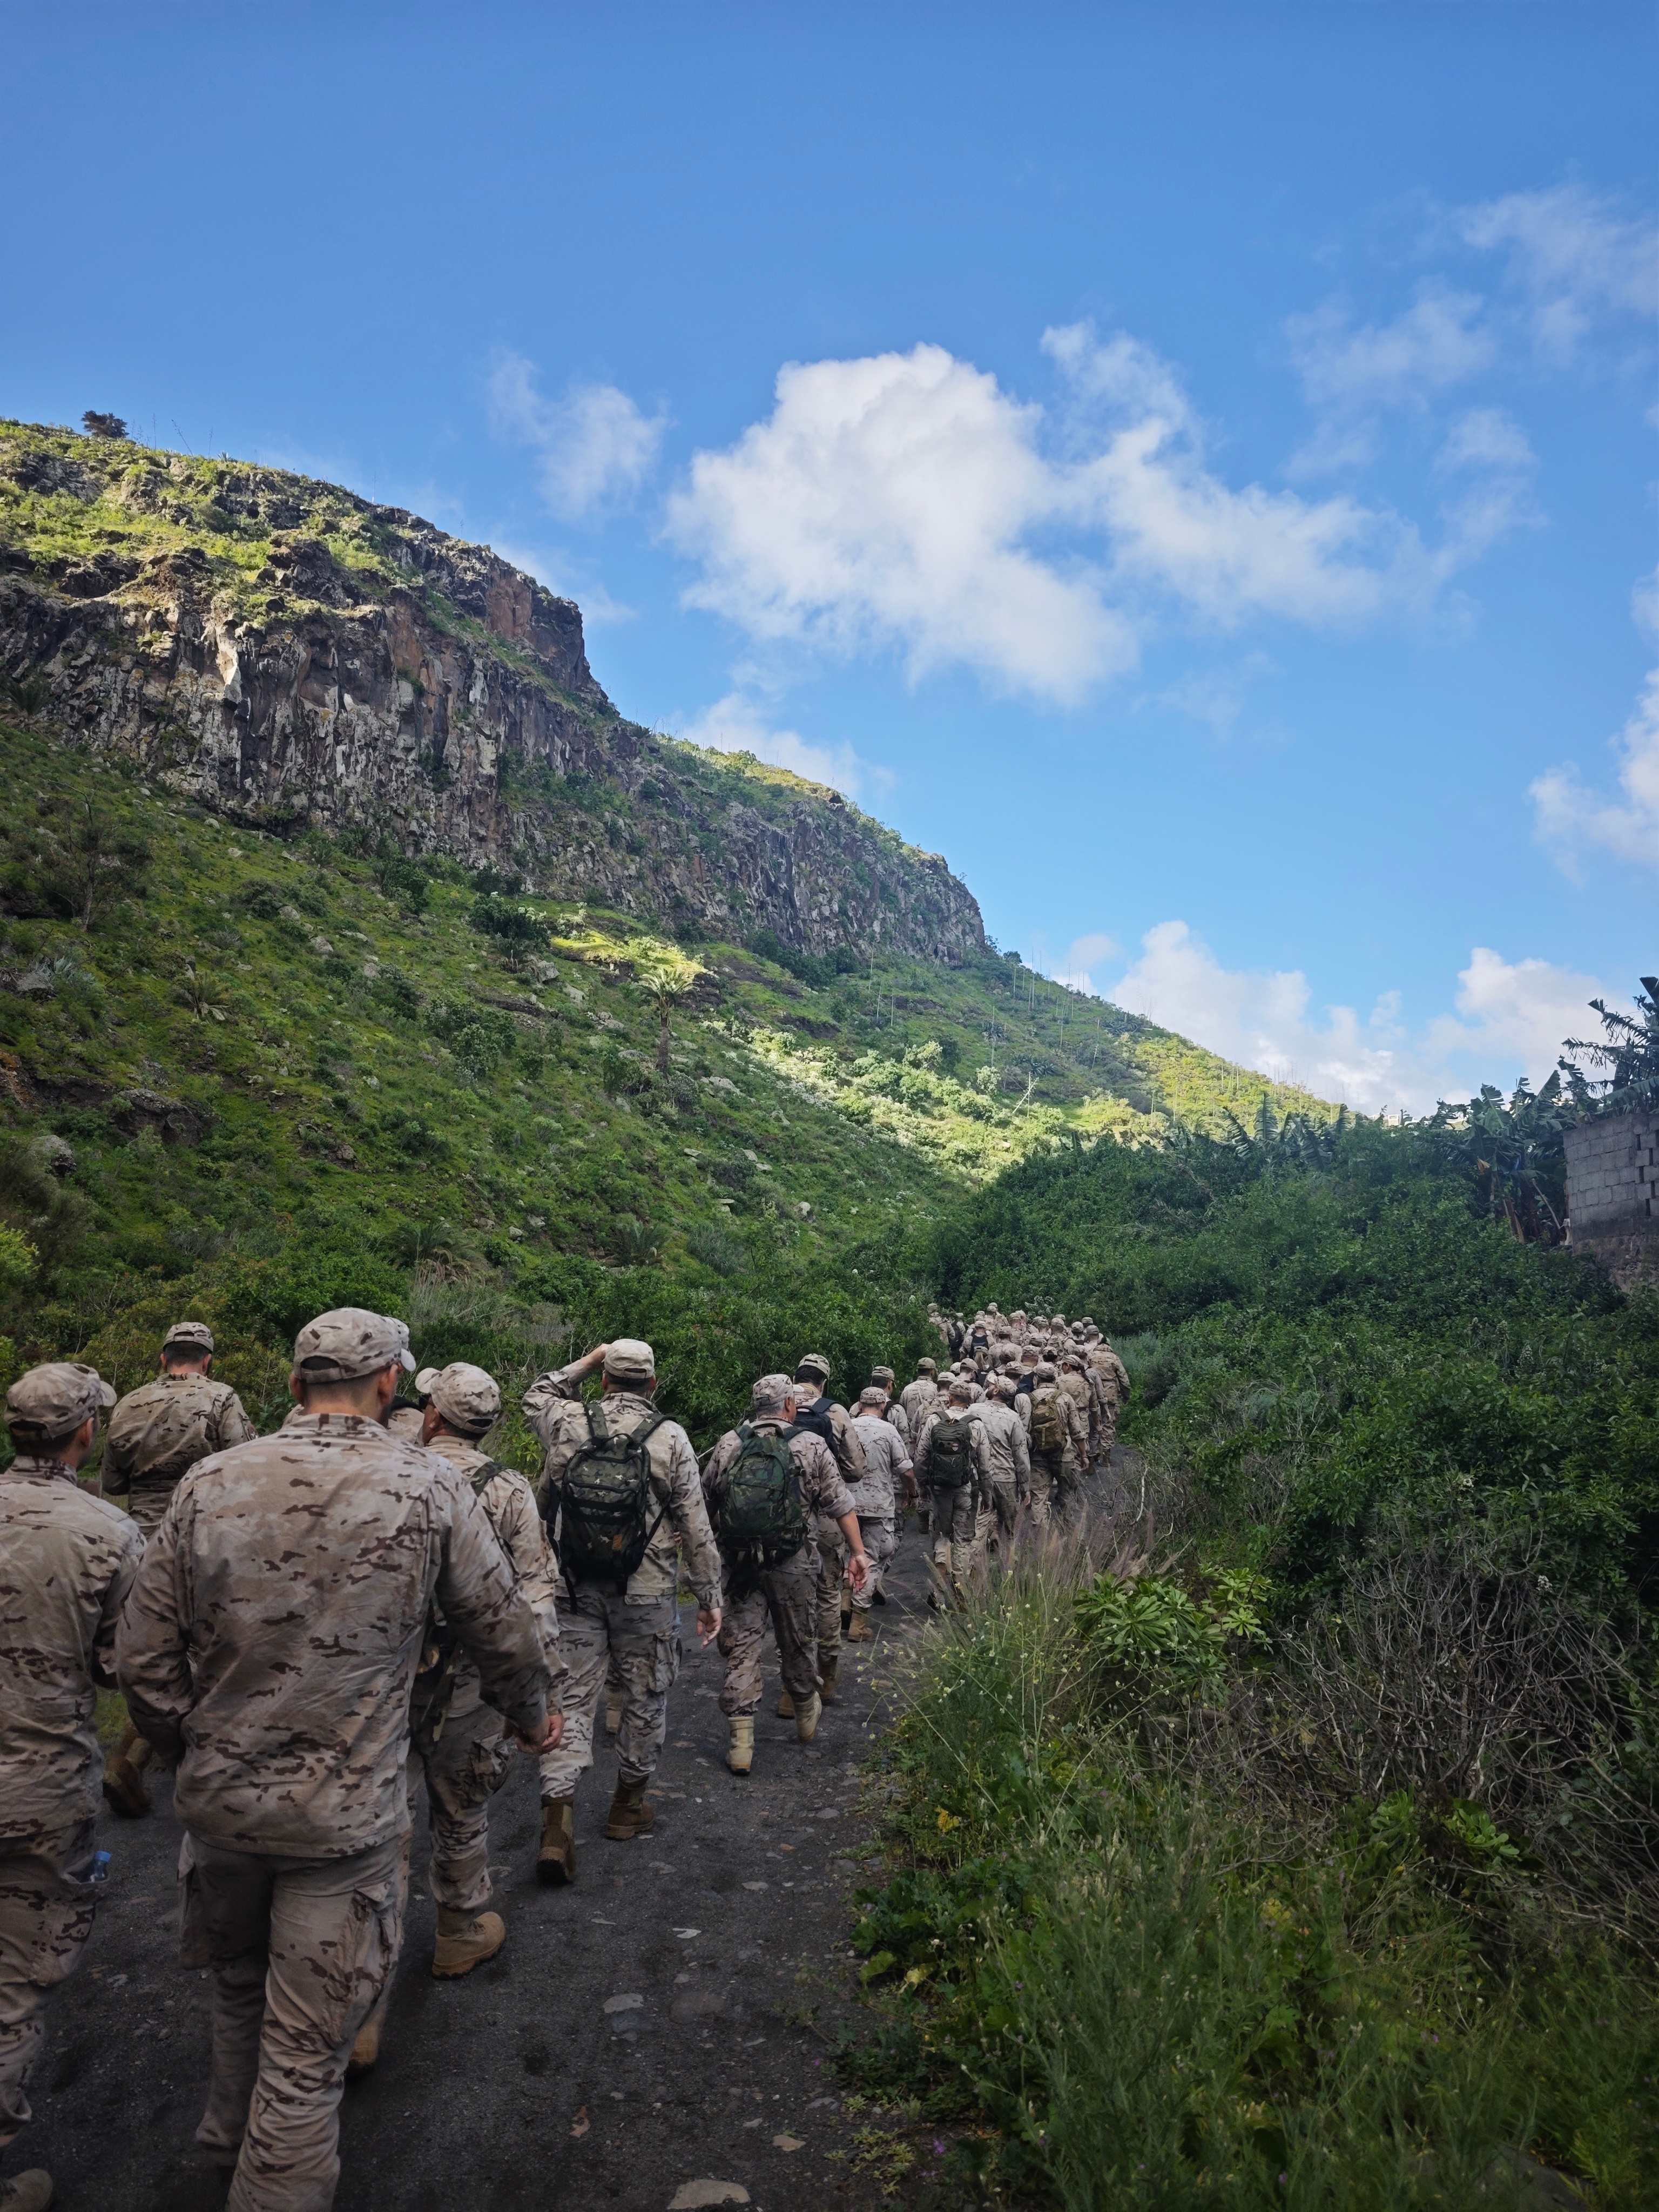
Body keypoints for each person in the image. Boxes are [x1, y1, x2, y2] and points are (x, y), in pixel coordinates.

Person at [118, 1308, 556, 2212]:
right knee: (305, 2057)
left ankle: (224, 2150)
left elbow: (142, 1657)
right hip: (342, 1822)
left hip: (221, 1811)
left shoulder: (209, 1480)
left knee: (238, 1996)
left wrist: (186, 1749)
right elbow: (500, 1626)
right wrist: (532, 1716)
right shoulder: (429, 1486)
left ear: (292, 1384)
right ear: (391, 1384)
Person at [349, 1361, 567, 2072]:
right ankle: (458, 1929)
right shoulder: (507, 1489)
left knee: (380, 1819)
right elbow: (534, 1601)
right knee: (463, 1800)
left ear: (433, 1415)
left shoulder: (391, 1470)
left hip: (381, 1673)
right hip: (470, 1679)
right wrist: (539, 1698)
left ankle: (360, 1993)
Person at [0, 1362, 139, 2212]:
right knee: (13, 1983)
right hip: (39, 1787)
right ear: (87, 1432)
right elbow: (127, 1669)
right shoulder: (108, 1531)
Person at [523, 1339, 721, 1883]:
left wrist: (587, 1361)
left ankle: (557, 1823)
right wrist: (709, 1598)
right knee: (646, 1694)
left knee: (569, 1698)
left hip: (574, 1586)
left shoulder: (567, 1421)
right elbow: (696, 1527)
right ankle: (626, 1808)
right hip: (646, 1591)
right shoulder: (670, 1437)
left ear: (607, 1380)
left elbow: (536, 1394)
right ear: (652, 1385)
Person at [99, 1320, 257, 1817]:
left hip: (143, 1539)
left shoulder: (129, 1403)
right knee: (204, 1648)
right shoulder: (221, 1398)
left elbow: (112, 1481)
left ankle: (137, 1757)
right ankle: (164, 1760)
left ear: (163, 1357)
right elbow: (244, 1463)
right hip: (203, 1532)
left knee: (154, 1646)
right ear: (207, 1360)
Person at [702, 1376, 868, 1773]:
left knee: (742, 1645)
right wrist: (858, 1553)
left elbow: (705, 1503)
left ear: (756, 1405)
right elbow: (840, 1504)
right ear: (790, 1406)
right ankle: (805, 1712)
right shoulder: (810, 1444)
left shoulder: (730, 1442)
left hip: (739, 1563)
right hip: (794, 1562)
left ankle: (741, 1744)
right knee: (797, 1638)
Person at [788, 1356, 866, 1705]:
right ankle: (828, 1674)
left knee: (789, 1600)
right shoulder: (834, 1412)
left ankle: (791, 1689)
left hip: (781, 1519)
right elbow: (856, 1469)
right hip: (825, 1519)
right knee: (827, 1594)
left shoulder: (774, 1403)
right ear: (824, 1383)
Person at [913, 1380, 992, 1607]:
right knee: (963, 1539)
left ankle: (940, 1571)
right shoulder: (976, 1424)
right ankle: (960, 1593)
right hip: (966, 1489)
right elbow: (985, 1465)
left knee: (942, 1533)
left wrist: (923, 1487)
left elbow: (920, 1457)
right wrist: (987, 1495)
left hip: (939, 1489)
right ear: (970, 1401)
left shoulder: (934, 1420)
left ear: (950, 1399)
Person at [844, 1386, 912, 1638]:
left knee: (847, 1554)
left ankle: (843, 1601)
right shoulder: (888, 1430)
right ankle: (858, 1623)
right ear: (883, 1407)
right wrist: (913, 1492)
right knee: (871, 1559)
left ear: (860, 1405)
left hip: (845, 1506)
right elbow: (905, 1470)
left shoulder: (846, 1427)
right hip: (878, 1506)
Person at [1027, 1360, 1088, 1527]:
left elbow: (1024, 1431)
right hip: (1064, 1454)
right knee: (1067, 1493)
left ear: (1037, 1379)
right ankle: (1069, 1532)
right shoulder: (1065, 1398)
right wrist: (1083, 1455)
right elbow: (1077, 1430)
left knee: (1039, 1496)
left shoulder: (1029, 1399)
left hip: (1038, 1455)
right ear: (1054, 1378)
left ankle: (1040, 1534)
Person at [974, 1377, 1031, 1550]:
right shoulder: (1013, 1417)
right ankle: (1009, 1560)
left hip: (979, 1475)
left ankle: (972, 1560)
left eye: (992, 1385)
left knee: (978, 1525)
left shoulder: (974, 1410)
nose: (989, 1387)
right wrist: (1025, 1487)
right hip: (1006, 1477)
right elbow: (1021, 1454)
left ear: (996, 1391)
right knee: (1011, 1528)